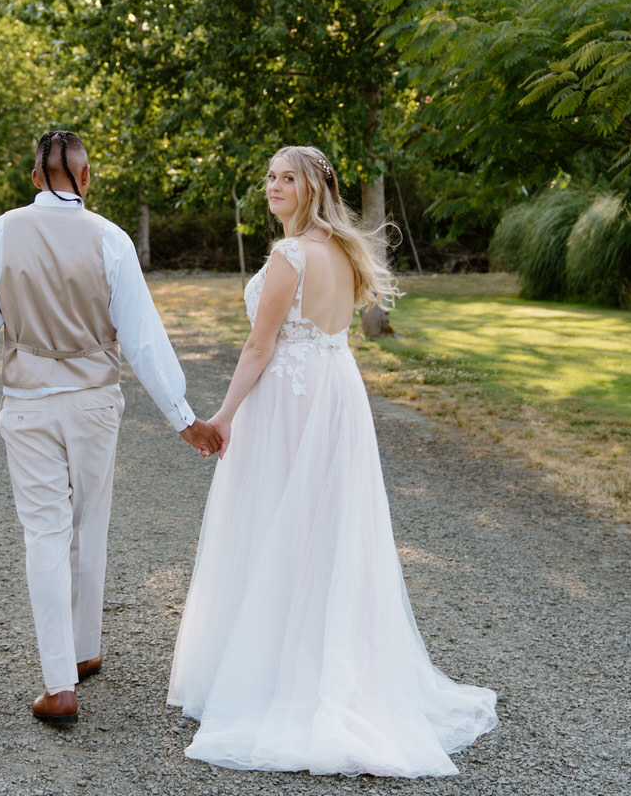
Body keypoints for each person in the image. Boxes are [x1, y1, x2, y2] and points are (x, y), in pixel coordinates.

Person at [168, 145, 498, 776]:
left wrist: (223, 417)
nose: (273, 187)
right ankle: (326, 665)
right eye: (268, 176)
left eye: (286, 178)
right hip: (335, 392)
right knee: (326, 529)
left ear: (313, 187)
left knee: (280, 527)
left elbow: (260, 346)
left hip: (291, 402)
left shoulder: (290, 255)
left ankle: (279, 679)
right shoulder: (345, 250)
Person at [0, 130, 221, 725]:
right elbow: (144, 338)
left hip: (27, 403)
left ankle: (60, 680)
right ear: (87, 175)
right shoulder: (111, 239)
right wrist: (184, 418)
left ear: (32, 177)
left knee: (44, 533)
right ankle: (84, 650)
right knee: (88, 523)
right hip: (96, 402)